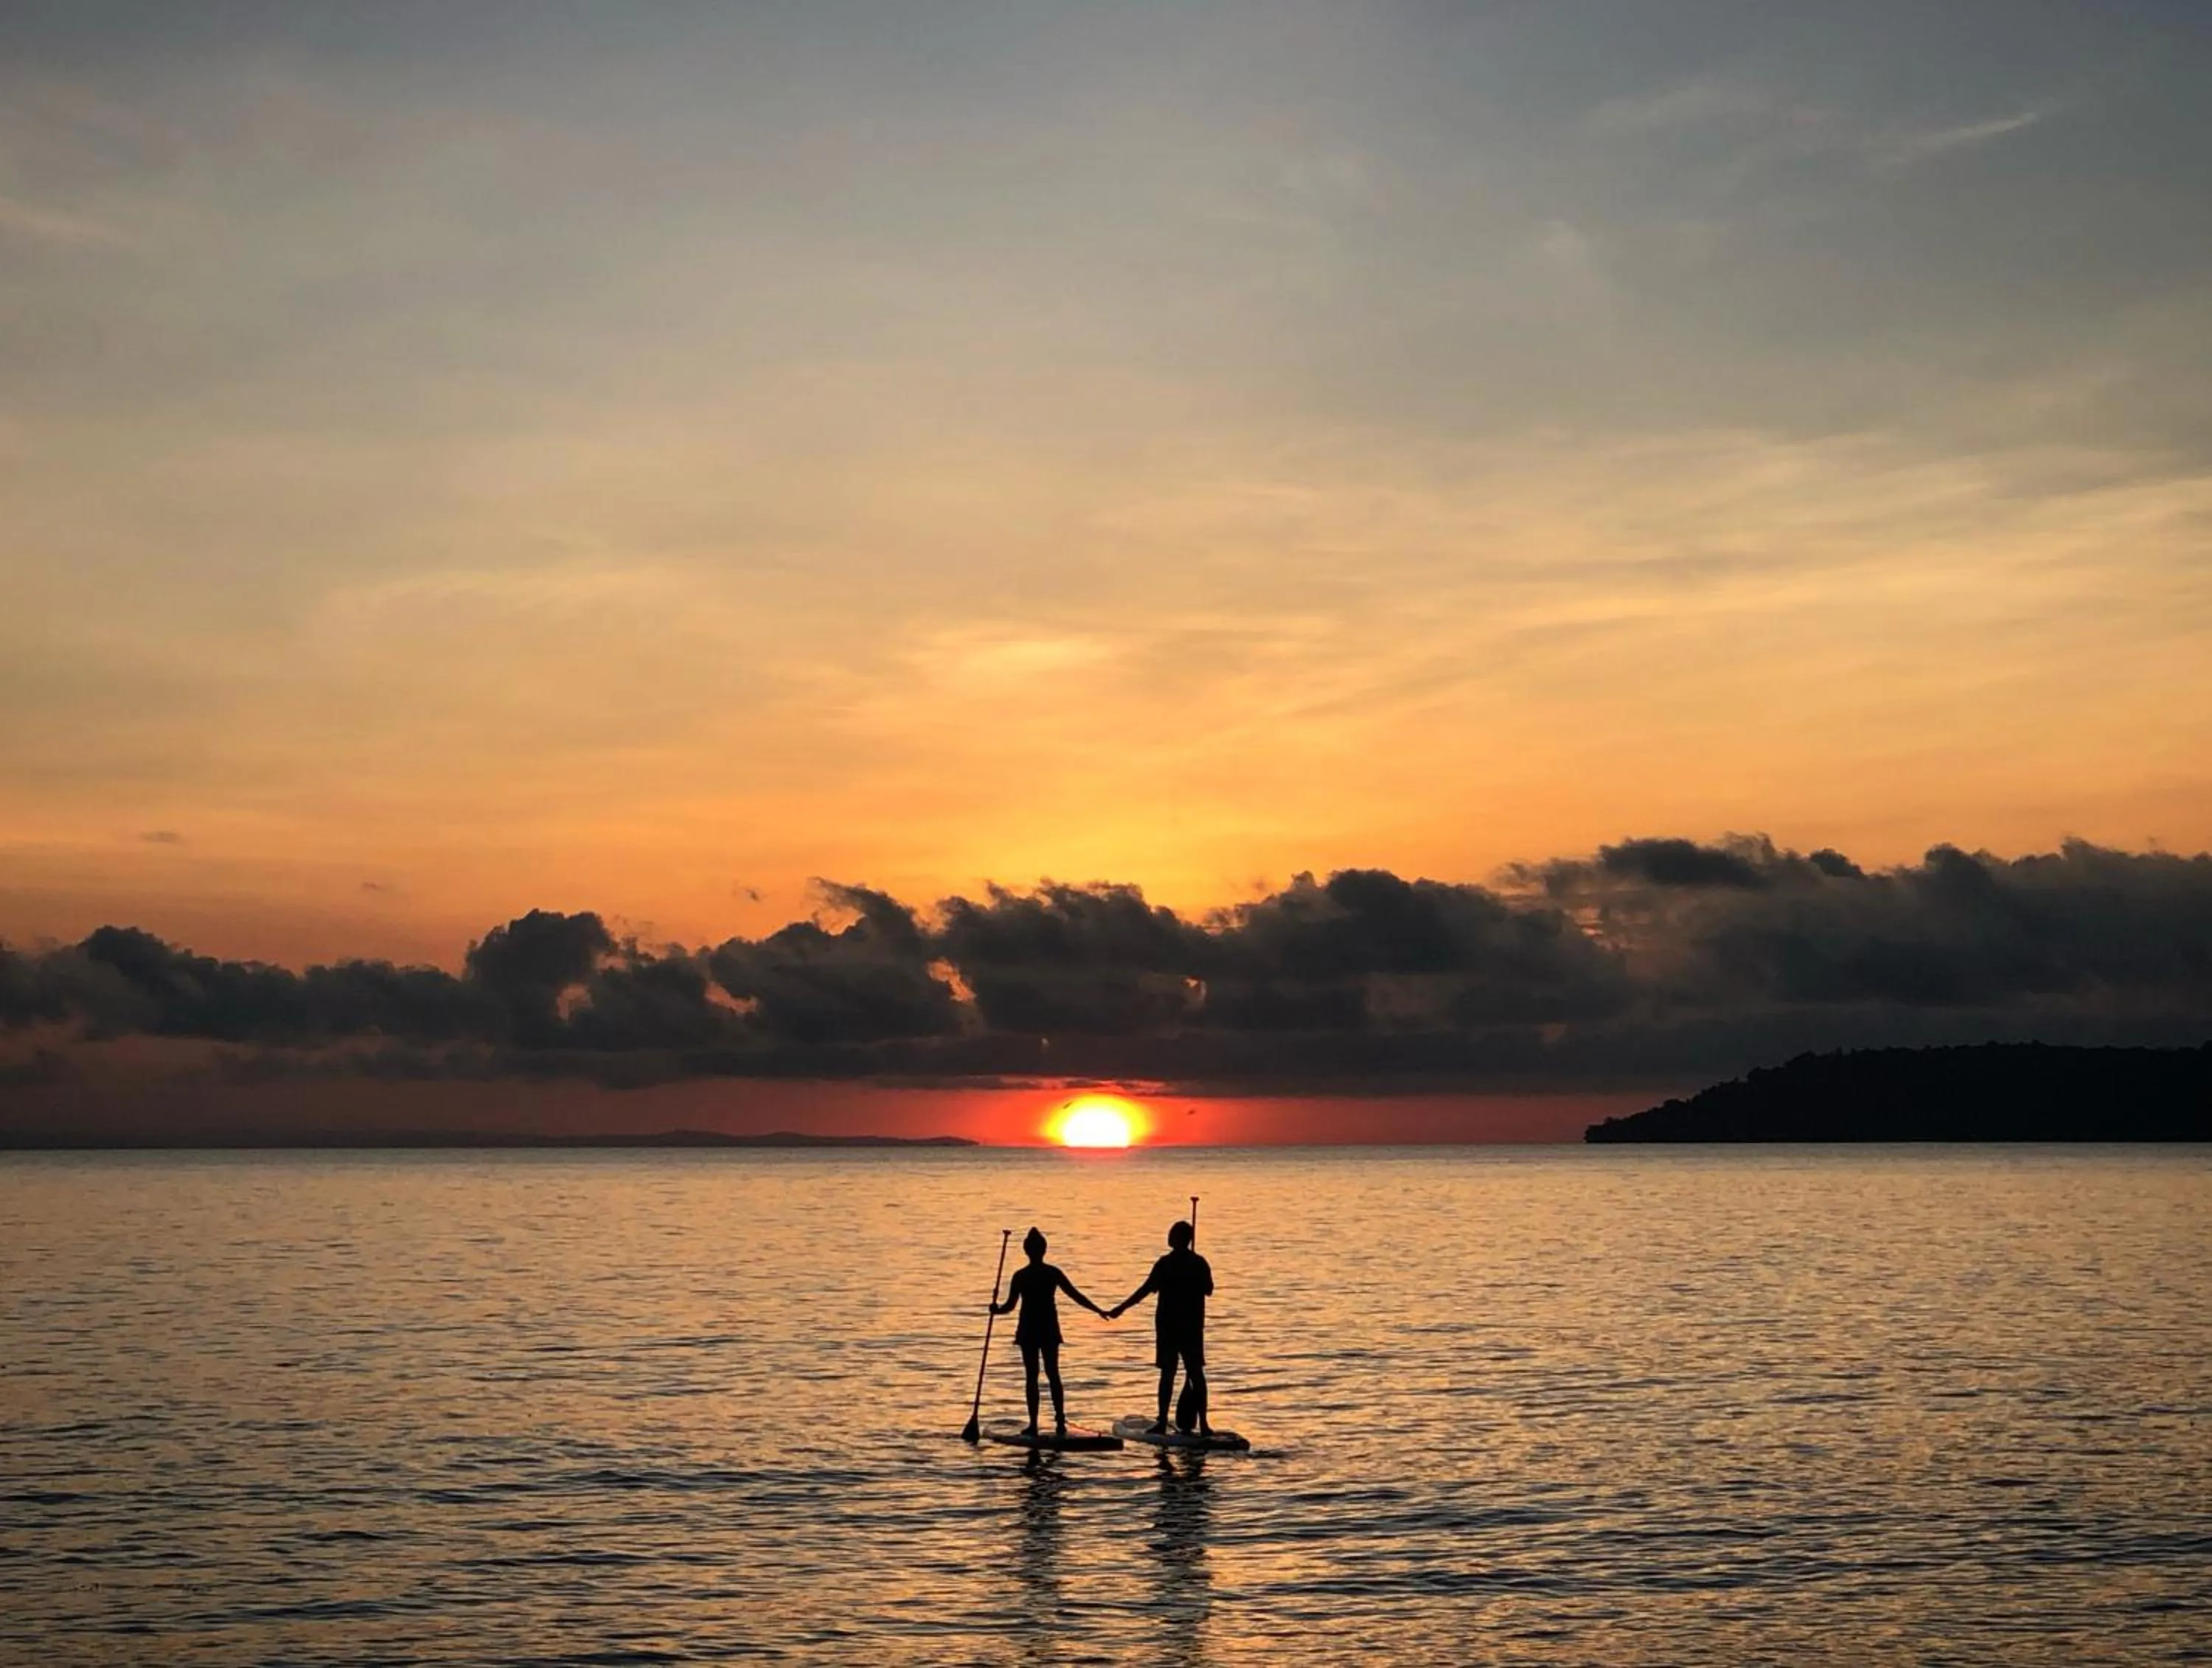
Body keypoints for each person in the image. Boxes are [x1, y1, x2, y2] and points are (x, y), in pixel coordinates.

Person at [992, 1227, 1107, 1436]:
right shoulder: (1048, 1273)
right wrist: (1098, 1310)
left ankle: (1038, 1424)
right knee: (1052, 1374)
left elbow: (1009, 1306)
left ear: (1027, 1251)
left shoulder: (1023, 1275)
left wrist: (997, 1310)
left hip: (1035, 1328)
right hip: (1043, 1328)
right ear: (1043, 1250)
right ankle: (1057, 1421)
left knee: (1034, 1376)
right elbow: (1076, 1295)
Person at [1108, 1220, 1214, 1435]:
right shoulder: (1199, 1262)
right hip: (1191, 1327)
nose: (1168, 1236)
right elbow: (1209, 1289)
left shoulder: (1166, 1264)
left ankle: (1164, 1421)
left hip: (1170, 1327)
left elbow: (1145, 1290)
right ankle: (1203, 1424)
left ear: (1177, 1239)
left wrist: (1121, 1308)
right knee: (1195, 1373)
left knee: (1169, 1373)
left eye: (1172, 1233)